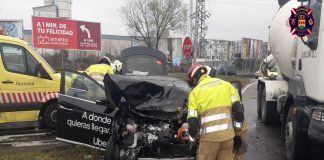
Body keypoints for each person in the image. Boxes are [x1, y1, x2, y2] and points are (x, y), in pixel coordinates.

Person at [187, 64, 245, 160]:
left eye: (192, 81)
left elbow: (192, 123)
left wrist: (192, 143)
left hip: (209, 141)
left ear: (195, 78)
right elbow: (239, 112)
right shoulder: (227, 85)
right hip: (228, 138)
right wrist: (238, 135)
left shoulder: (195, 93)